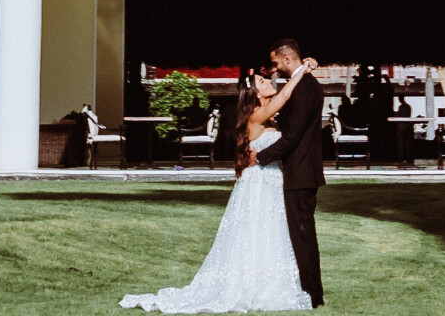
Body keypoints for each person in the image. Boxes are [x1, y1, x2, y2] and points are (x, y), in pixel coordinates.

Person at [121, 58, 319, 312]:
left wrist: (306, 65)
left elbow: (286, 106)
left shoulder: (270, 118)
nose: (268, 81)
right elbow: (283, 97)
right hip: (258, 182)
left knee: (271, 232)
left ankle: (268, 281)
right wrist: (301, 71)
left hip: (270, 181)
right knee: (255, 232)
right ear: (254, 94)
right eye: (261, 81)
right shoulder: (257, 117)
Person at [248, 41, 327, 307]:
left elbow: (292, 137)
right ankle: (307, 288)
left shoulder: (303, 87)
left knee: (303, 235)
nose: (274, 69)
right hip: (301, 172)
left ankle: (312, 294)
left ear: (286, 58)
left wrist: (260, 156)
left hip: (300, 173)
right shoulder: (303, 83)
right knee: (299, 234)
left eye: (276, 63)